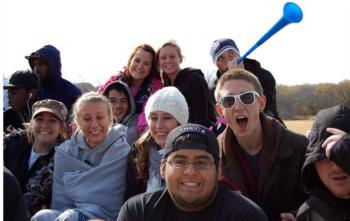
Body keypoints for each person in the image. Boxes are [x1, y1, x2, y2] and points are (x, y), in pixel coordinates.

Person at [117, 123, 268, 221]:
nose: (190, 171)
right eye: (179, 161)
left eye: (201, 162)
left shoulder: (245, 216)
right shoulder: (138, 212)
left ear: (219, 170)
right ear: (163, 168)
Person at [214, 69, 308, 221]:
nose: (238, 107)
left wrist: (299, 216)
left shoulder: (298, 146)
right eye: (229, 101)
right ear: (220, 110)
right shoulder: (213, 154)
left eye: (247, 97)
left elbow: (319, 198)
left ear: (261, 103)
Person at [31, 92, 130, 221]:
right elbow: (61, 201)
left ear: (110, 118)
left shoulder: (122, 150)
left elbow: (110, 199)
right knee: (42, 216)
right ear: (77, 121)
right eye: (87, 119)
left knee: (72, 216)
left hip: (106, 216)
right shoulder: (65, 152)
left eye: (100, 117)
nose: (94, 125)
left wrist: (75, 183)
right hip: (68, 214)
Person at [4, 99, 68, 217]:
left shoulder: (65, 160)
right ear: (31, 123)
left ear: (62, 127)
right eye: (39, 119)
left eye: (52, 120)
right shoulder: (10, 145)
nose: (44, 125)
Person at [125, 86, 189, 199]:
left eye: (167, 118)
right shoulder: (137, 154)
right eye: (154, 118)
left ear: (180, 122)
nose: (159, 125)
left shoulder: (192, 155)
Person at [209, 38, 284, 129]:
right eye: (220, 59)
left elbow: (262, 109)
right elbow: (223, 117)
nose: (228, 61)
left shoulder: (263, 75)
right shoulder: (216, 87)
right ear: (216, 65)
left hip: (268, 124)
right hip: (235, 129)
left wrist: (239, 75)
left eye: (231, 54)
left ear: (239, 54)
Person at [296, 105, 350, 221]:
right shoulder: (309, 214)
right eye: (326, 158)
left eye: (344, 157)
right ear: (313, 164)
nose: (336, 167)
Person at [97, 44, 163, 133]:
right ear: (130, 60)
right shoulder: (116, 80)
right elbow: (97, 101)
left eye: (146, 63)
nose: (140, 66)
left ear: (151, 68)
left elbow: (149, 114)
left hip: (137, 132)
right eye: (137, 60)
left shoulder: (155, 88)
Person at [156, 40, 216, 128]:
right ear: (159, 62)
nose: (168, 60)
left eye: (172, 57)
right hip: (177, 133)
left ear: (180, 59)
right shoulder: (165, 87)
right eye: (163, 58)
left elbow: (201, 117)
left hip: (200, 134)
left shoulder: (194, 79)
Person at [25, 44, 81, 111]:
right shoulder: (33, 92)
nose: (36, 69)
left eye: (41, 64)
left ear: (53, 65)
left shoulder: (72, 93)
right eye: (34, 64)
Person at [101, 80, 139, 146]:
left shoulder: (137, 123)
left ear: (130, 104)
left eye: (123, 101)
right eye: (112, 101)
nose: (118, 105)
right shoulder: (96, 123)